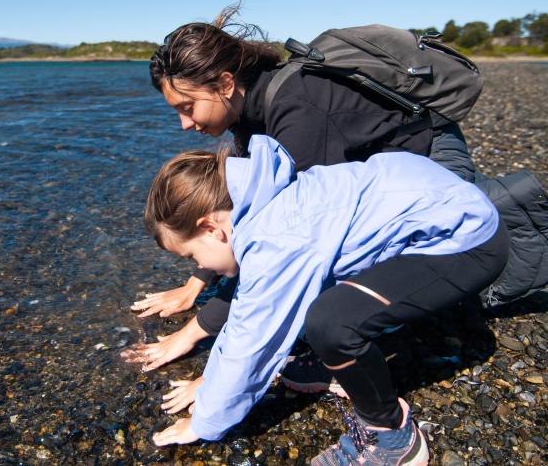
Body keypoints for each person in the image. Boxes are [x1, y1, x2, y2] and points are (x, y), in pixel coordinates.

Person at [126, 4, 547, 383]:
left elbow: (285, 245)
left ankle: (398, 341)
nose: (184, 124)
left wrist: (197, 333)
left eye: (187, 107)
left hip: (429, 154)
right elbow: (233, 214)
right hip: (385, 166)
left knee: (342, 264)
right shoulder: (249, 116)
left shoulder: (297, 111)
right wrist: (196, 281)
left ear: (224, 82)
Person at [142, 135, 508, 464]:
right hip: (441, 207)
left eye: (191, 257)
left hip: (466, 241)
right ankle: (334, 366)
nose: (200, 267)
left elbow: (252, 339)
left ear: (210, 227)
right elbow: (249, 310)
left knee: (331, 323)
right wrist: (210, 378)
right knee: (304, 294)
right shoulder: (263, 197)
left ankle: (393, 438)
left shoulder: (276, 237)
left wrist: (206, 419)